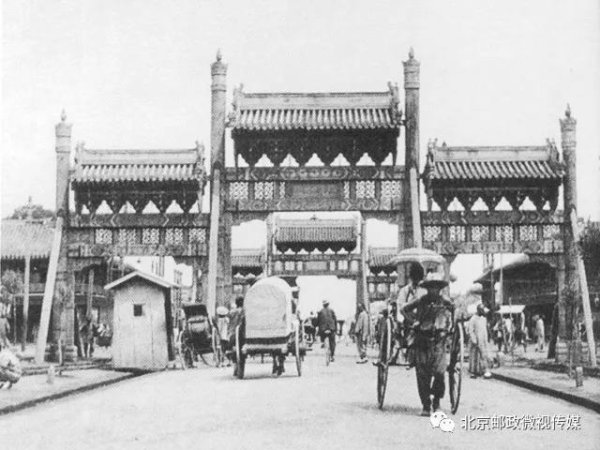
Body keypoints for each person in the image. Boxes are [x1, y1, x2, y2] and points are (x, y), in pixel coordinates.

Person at [400, 272, 454, 416]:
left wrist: (450, 326)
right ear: (427, 288)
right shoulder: (421, 300)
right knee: (422, 374)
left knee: (440, 373)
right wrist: (413, 321)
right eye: (431, 287)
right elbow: (403, 309)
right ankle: (426, 404)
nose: (433, 290)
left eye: (436, 287)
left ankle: (436, 402)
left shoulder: (445, 301)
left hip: (439, 340)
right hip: (422, 339)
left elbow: (454, 310)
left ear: (440, 288)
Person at [396, 263, 426, 368]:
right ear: (412, 278)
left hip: (425, 318)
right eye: (415, 278)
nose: (417, 281)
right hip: (410, 319)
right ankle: (411, 355)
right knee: (412, 332)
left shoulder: (425, 290)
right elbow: (401, 307)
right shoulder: (405, 290)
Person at [467, 304, 491, 379]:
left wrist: (487, 338)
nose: (483, 311)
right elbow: (470, 330)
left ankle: (485, 371)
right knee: (475, 356)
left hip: (483, 340)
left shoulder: (484, 319)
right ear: (478, 310)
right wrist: (474, 339)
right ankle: (473, 372)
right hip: (476, 340)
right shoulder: (473, 319)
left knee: (484, 355)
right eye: (482, 310)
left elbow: (485, 329)